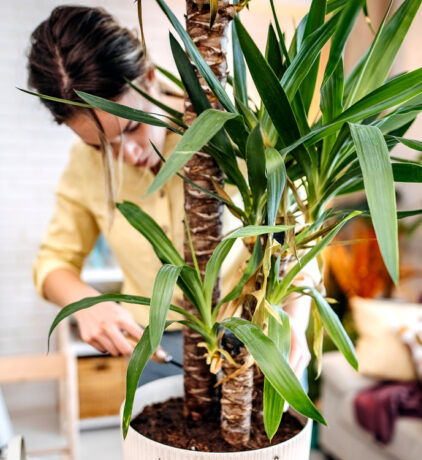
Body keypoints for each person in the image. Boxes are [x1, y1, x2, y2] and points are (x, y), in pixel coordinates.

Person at [28, 6, 311, 382]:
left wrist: (294, 319)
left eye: (131, 127)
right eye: (101, 146)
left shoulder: (237, 130)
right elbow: (53, 262)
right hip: (156, 347)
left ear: (148, 77)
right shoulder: (83, 166)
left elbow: (297, 238)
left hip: (256, 334)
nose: (126, 155)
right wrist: (84, 304)